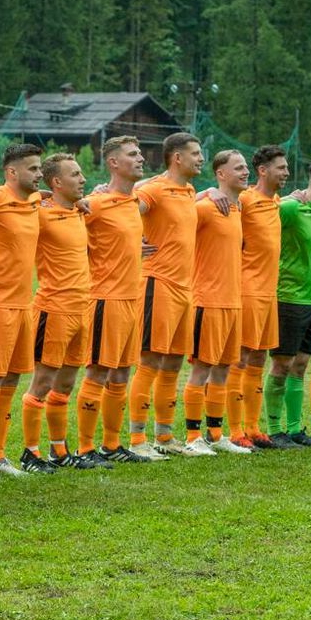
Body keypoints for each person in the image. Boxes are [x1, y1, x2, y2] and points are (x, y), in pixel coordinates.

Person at [76, 136, 154, 465]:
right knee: (97, 373)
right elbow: (57, 220)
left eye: (140, 154)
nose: (141, 159)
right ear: (113, 163)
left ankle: (111, 445)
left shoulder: (133, 200)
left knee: (121, 373)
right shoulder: (96, 202)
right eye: (133, 155)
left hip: (131, 299)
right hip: (104, 299)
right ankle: (83, 448)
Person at [0, 143, 45, 475]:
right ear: (12, 172)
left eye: (40, 168)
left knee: (11, 382)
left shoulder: (36, 201)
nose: (39, 174)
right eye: (33, 169)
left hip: (22, 305)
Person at [126, 133, 200, 460]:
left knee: (173, 364)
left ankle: (165, 436)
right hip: (158, 284)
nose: (201, 158)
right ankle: (136, 439)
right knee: (150, 361)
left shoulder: (189, 190)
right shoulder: (153, 188)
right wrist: (131, 237)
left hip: (185, 288)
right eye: (195, 153)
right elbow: (129, 207)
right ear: (177, 158)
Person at [263, 158, 311, 447]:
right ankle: (273, 430)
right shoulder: (290, 208)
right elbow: (258, 217)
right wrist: (282, 198)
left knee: (301, 365)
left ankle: (295, 429)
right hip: (288, 298)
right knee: (282, 365)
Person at [22, 154, 92, 468]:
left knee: (65, 384)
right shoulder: (40, 212)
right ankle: (30, 452)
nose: (83, 179)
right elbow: (10, 207)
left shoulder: (79, 211)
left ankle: (58, 451)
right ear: (56, 183)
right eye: (75, 175)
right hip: (53, 309)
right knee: (43, 383)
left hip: (82, 309)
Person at [182, 149, 251, 455]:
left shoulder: (236, 208)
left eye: (246, 167)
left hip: (233, 302)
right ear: (221, 174)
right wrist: (202, 194)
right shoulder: (207, 206)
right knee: (201, 370)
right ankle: (192, 437)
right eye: (238, 168)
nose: (245, 171)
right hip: (207, 301)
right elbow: (174, 214)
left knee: (223, 369)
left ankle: (215, 433)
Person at [231, 145, 289, 449]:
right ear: (263, 171)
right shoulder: (244, 200)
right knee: (240, 358)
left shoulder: (276, 201)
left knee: (258, 358)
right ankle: (233, 429)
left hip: (269, 291)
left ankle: (253, 428)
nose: (287, 172)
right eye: (281, 167)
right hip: (247, 289)